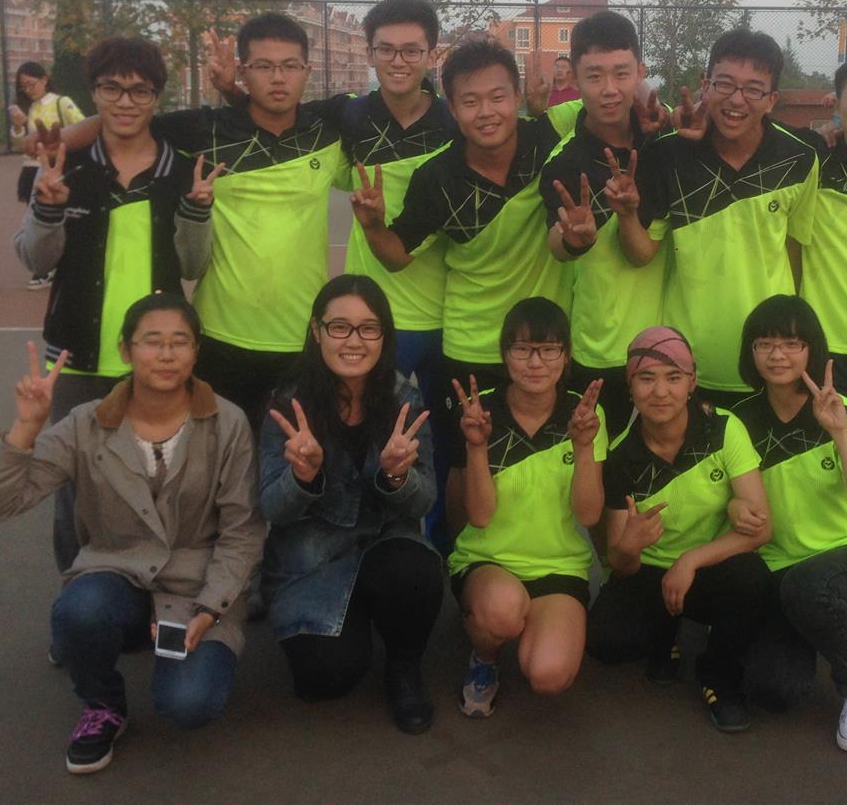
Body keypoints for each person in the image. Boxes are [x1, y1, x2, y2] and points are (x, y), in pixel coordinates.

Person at [0, 292, 264, 775]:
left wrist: (211, 608)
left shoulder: (227, 422)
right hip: (115, 569)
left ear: (195, 352)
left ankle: (167, 642)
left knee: (190, 704)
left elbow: (242, 530)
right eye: (152, 341)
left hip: (195, 587)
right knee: (80, 612)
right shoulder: (86, 423)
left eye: (180, 342)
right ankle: (103, 705)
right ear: (126, 350)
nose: (166, 354)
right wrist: (25, 428)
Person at [46, 13, 352, 429]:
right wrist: (56, 140)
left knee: (294, 457)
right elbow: (129, 116)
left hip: (303, 336)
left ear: (307, 71)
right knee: (218, 458)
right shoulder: (203, 131)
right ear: (243, 70)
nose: (278, 77)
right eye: (263, 66)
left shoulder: (329, 132)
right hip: (218, 337)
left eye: (290, 65)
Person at [15, 36, 217, 573]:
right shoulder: (66, 165)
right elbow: (34, 258)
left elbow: (193, 265)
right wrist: (48, 209)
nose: (125, 102)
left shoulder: (179, 170)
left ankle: (150, 592)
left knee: (160, 484)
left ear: (156, 97)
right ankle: (77, 594)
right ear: (94, 92)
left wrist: (197, 213)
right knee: (75, 490)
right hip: (77, 359)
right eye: (112, 88)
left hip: (158, 361)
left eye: (139, 90)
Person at [259, 275, 444, 735]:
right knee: (325, 678)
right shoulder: (289, 403)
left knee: (416, 567)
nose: (354, 341)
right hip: (312, 560)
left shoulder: (404, 398)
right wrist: (303, 478)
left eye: (368, 328)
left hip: (384, 546)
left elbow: (425, 499)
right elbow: (271, 509)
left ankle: (403, 666)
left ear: (384, 335)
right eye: (339, 327)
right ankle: (352, 621)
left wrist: (397, 475)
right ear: (316, 331)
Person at [351, 37, 579, 407]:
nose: (486, 112)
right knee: (461, 447)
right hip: (470, 348)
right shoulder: (436, 177)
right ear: (453, 109)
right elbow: (396, 256)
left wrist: (665, 114)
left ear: (517, 96)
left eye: (497, 97)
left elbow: (614, 99)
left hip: (544, 347)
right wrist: (374, 225)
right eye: (470, 102)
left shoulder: (550, 134)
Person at [614, 30, 819, 405]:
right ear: (705, 84)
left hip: (770, 362)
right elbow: (641, 254)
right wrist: (626, 215)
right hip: (687, 363)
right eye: (724, 83)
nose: (737, 99)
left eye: (754, 89)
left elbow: (794, 253)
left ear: (772, 100)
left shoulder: (800, 159)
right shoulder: (667, 155)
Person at [587, 326, 772, 733]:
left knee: (753, 579)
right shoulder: (619, 455)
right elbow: (620, 564)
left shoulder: (724, 428)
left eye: (673, 377)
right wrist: (627, 548)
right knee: (605, 641)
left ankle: (717, 675)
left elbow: (761, 529)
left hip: (710, 566)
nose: (660, 392)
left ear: (692, 382)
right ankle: (664, 631)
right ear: (630, 386)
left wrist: (690, 561)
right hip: (650, 571)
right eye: (646, 378)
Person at [731, 295, 847, 753]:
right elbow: (730, 498)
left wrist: (839, 433)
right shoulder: (739, 420)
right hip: (782, 566)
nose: (777, 355)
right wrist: (734, 509)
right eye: (764, 344)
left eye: (791, 343)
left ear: (812, 350)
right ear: (750, 351)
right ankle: (815, 623)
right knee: (773, 691)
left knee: (809, 587)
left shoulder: (845, 413)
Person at [332, 0, 459, 546]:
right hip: (376, 319)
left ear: (433, 54)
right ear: (369, 53)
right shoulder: (347, 118)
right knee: (368, 443)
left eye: (412, 50)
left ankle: (442, 557)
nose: (399, 60)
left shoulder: (457, 123)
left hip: (450, 317)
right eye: (386, 49)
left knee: (445, 448)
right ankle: (365, 552)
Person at [445, 297, 606, 717]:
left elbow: (589, 515)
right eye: (522, 349)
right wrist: (476, 447)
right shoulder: (480, 412)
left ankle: (532, 622)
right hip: (489, 561)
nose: (535, 362)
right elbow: (480, 516)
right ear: (505, 354)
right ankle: (484, 656)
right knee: (501, 612)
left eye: (548, 349)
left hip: (558, 567)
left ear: (566, 356)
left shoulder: (585, 415)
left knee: (549, 675)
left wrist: (583, 447)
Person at [538, 10, 668, 435]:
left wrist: (627, 214)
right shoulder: (564, 161)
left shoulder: (663, 145)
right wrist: (574, 240)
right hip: (597, 349)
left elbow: (643, 254)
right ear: (575, 78)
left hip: (667, 346)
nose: (609, 89)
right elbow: (556, 246)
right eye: (594, 76)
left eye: (621, 74)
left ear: (640, 73)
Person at [9, 61, 85, 288]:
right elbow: (22, 144)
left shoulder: (62, 102)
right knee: (35, 213)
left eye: (31, 84)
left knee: (60, 213)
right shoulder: (30, 108)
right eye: (23, 86)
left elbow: (83, 127)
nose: (28, 90)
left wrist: (62, 140)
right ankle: (42, 264)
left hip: (57, 167)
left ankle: (47, 268)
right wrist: (19, 127)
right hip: (31, 168)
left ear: (44, 79)